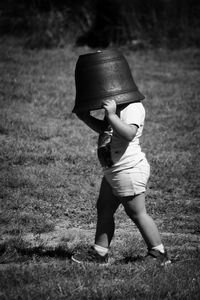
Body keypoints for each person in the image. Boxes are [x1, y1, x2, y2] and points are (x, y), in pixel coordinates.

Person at [71, 98, 171, 266]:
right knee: (104, 208)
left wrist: (111, 114)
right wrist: (86, 118)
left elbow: (129, 133)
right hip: (114, 169)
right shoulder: (117, 105)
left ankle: (159, 253)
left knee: (137, 212)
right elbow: (108, 129)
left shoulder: (133, 106)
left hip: (128, 169)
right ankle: (100, 252)